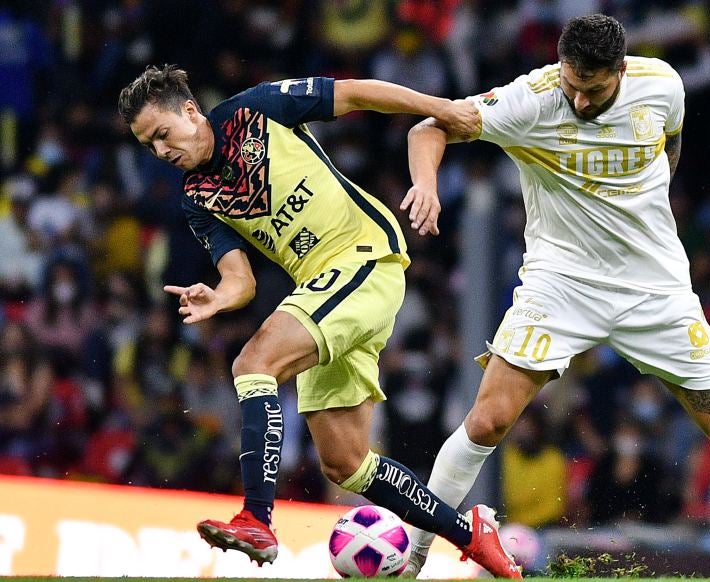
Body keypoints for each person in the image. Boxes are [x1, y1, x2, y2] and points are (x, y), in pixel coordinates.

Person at [400, 14, 710, 581]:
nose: (581, 100)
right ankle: (414, 552)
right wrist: (426, 183)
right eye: (572, 84)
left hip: (653, 284)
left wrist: (647, 208)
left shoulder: (661, 84)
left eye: (594, 88)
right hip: (560, 283)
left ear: (621, 71)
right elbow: (428, 127)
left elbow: (674, 136)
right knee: (487, 421)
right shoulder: (529, 100)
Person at [117, 65, 521, 578]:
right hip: (322, 290)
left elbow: (357, 94)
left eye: (162, 134)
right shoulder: (196, 198)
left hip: (364, 258)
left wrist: (440, 109)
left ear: (191, 112)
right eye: (147, 145)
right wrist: (219, 296)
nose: (160, 151)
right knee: (345, 463)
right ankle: (472, 535)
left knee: (253, 364)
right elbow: (241, 280)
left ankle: (256, 520)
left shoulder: (255, 109)